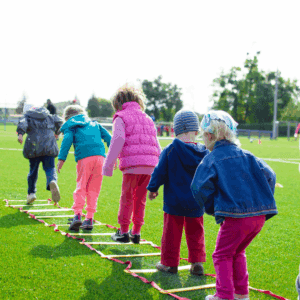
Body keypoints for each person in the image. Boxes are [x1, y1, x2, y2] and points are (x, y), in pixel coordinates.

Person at [190, 110, 278, 300]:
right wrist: (261, 200)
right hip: (259, 218)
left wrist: (214, 208)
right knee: (237, 252)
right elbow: (270, 175)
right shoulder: (248, 155)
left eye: (204, 136)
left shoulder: (211, 158)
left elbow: (197, 187)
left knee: (221, 255)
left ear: (210, 136)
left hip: (236, 218)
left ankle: (223, 296)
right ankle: (241, 294)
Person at [147, 110, 209, 275]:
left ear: (174, 130)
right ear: (196, 132)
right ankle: (197, 263)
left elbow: (159, 172)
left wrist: (153, 188)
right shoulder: (204, 152)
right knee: (196, 232)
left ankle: (169, 263)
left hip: (173, 201)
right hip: (196, 201)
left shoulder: (170, 149)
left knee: (171, 233)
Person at [102, 83, 161, 244]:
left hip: (132, 166)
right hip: (150, 166)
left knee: (127, 198)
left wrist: (108, 164)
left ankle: (123, 232)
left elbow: (118, 140)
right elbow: (156, 144)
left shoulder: (121, 117)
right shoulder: (148, 118)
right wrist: (160, 168)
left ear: (118, 104)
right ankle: (136, 233)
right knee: (140, 199)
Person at [57, 105, 111, 231]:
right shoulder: (95, 124)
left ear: (66, 117)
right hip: (100, 158)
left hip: (84, 158)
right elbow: (109, 138)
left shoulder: (71, 126)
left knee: (81, 186)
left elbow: (67, 140)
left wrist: (61, 159)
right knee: (94, 188)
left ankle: (77, 216)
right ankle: (89, 219)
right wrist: (113, 157)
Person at [17, 104, 63, 205]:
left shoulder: (28, 116)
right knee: (50, 168)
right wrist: (57, 133)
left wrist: (20, 134)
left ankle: (31, 193)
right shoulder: (48, 115)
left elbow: (23, 123)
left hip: (34, 146)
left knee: (33, 170)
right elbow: (60, 122)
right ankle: (52, 181)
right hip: (49, 145)